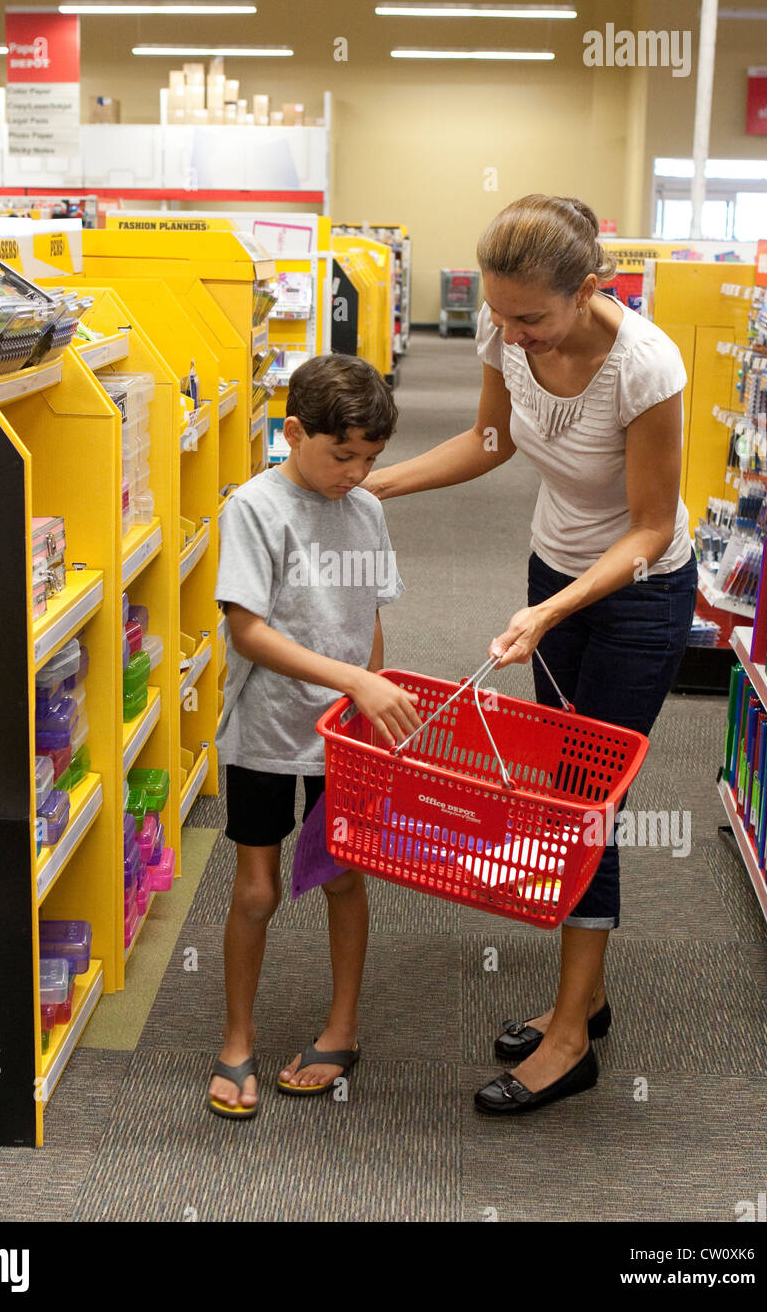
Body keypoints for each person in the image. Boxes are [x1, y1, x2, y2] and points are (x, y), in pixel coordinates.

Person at [364, 194, 697, 1115]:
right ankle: (582, 997)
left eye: (532, 320)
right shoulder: (504, 330)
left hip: (634, 592)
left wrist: (551, 609)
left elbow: (647, 528)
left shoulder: (644, 366)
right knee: (557, 786)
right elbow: (490, 439)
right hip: (553, 571)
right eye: (499, 315)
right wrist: (371, 487)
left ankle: (568, 1038)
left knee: (585, 799)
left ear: (591, 290)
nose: (512, 335)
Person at [208, 353, 422, 1119]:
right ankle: (237, 1040)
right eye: (342, 455)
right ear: (293, 431)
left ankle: (342, 1028)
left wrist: (367, 703)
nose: (356, 473)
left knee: (342, 877)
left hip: (343, 739)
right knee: (257, 889)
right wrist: (354, 684)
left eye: (370, 459)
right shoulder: (253, 508)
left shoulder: (365, 509)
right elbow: (248, 633)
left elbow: (367, 618)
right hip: (267, 732)